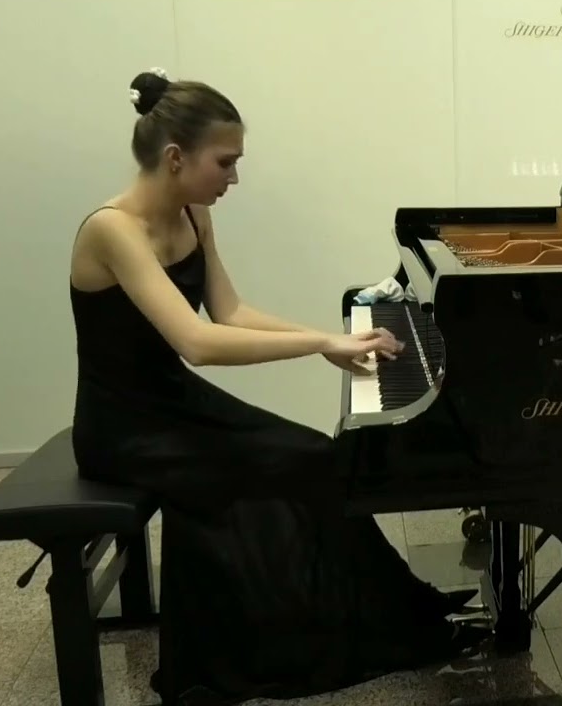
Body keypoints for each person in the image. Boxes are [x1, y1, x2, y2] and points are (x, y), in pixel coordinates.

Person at [67, 68, 487, 705]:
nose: (233, 178)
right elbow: (199, 342)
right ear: (176, 158)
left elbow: (230, 311)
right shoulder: (112, 229)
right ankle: (297, 639)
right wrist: (321, 345)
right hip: (124, 427)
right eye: (226, 162)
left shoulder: (193, 214)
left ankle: (370, 616)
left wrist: (330, 338)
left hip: (173, 404)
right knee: (287, 464)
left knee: (316, 454)